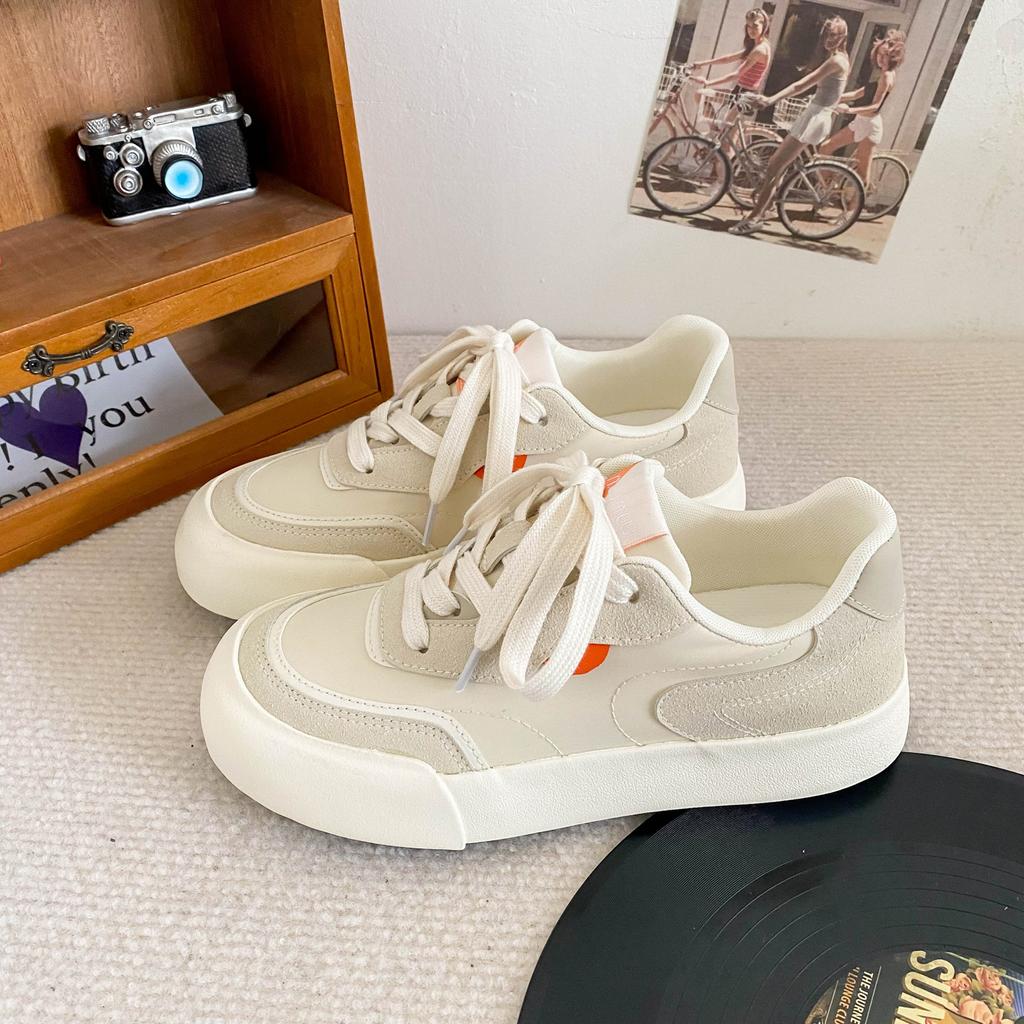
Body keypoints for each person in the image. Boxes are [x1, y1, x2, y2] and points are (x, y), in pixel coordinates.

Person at [729, 16, 851, 236]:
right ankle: (766, 208)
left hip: (815, 118)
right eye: (826, 34)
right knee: (780, 166)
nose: (828, 39)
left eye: (833, 35)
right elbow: (829, 90)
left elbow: (800, 85)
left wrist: (770, 99)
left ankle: (754, 218)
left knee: (774, 166)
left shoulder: (836, 61)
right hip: (814, 113)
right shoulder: (839, 58)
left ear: (843, 36)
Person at [819, 29, 906, 188]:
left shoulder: (887, 76)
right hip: (861, 122)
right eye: (879, 54)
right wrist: (831, 96)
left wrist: (849, 111)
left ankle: (855, 202)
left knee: (861, 175)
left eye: (885, 55)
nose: (881, 58)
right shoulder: (882, 74)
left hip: (870, 127)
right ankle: (830, 190)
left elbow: (875, 106)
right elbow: (857, 94)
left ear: (893, 56)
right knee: (825, 148)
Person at [690, 8, 773, 93]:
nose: (751, 30)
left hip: (746, 95)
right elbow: (728, 58)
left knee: (701, 93)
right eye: (749, 26)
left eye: (755, 26)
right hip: (739, 90)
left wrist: (708, 83)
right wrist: (702, 63)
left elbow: (737, 74)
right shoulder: (755, 46)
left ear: (764, 26)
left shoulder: (760, 50)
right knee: (700, 93)